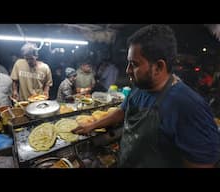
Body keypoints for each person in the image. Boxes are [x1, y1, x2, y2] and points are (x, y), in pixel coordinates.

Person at [72, 24, 220, 168]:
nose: (128, 70)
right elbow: (122, 111)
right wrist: (92, 125)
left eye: (134, 64)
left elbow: (202, 164)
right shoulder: (140, 87)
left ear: (158, 67)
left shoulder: (189, 107)